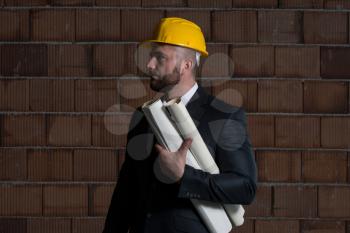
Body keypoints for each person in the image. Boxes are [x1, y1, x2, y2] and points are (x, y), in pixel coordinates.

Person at [103, 17, 257, 233]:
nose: (149, 65)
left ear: (186, 64)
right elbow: (125, 194)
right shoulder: (142, 116)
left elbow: (245, 188)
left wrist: (184, 176)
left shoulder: (223, 116)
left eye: (160, 57)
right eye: (151, 57)